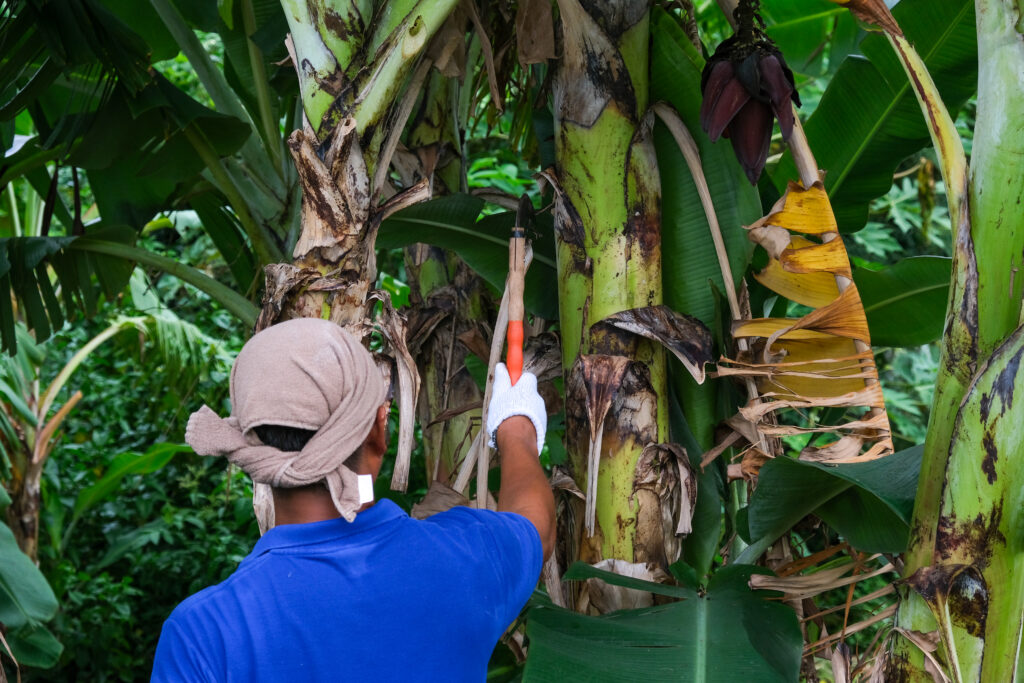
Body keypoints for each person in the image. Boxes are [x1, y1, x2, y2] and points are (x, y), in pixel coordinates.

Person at [151, 318, 554, 682]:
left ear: (254, 453)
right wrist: (515, 426)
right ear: (380, 432)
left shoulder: (204, 634)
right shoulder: (465, 559)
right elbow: (536, 524)